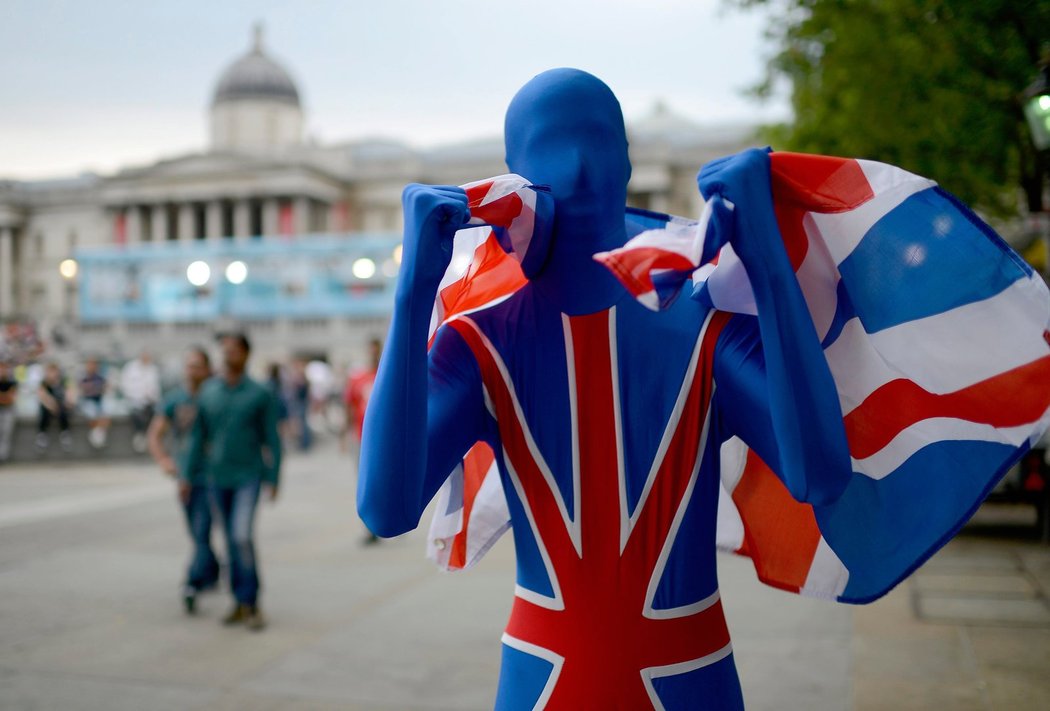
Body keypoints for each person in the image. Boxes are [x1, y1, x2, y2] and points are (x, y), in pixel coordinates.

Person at [357, 69, 1050, 709]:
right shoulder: (493, 342)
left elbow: (820, 471)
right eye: (559, 145)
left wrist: (770, 266)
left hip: (620, 676)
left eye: (596, 142)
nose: (579, 166)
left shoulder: (689, 323)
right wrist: (413, 296)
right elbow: (385, 509)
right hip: (623, 675)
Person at [184, 331, 281, 631]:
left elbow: (272, 439)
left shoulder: (259, 393)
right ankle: (239, 602)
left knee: (241, 537)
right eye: (225, 349)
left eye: (235, 349)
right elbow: (198, 437)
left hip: (248, 476)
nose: (229, 354)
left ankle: (251, 601)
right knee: (228, 540)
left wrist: (274, 477)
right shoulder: (210, 392)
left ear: (246, 354)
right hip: (216, 476)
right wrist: (187, 475)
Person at [147, 346, 221, 614]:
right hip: (186, 476)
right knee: (197, 531)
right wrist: (164, 460)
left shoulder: (216, 397)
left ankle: (191, 582)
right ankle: (211, 569)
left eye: (197, 365)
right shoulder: (175, 400)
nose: (191, 370)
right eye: (188, 365)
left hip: (214, 475)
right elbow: (155, 434)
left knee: (202, 531)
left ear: (207, 369)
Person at [344, 339, 382, 544]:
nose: (373, 354)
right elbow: (349, 406)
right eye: (371, 351)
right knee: (365, 483)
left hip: (385, 441)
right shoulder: (358, 379)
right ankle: (370, 527)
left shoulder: (388, 375)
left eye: (377, 351)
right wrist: (344, 435)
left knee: (384, 482)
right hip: (361, 438)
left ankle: (386, 520)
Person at [120, 350, 161, 453]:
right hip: (133, 400)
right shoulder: (130, 368)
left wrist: (151, 397)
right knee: (136, 413)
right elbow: (125, 386)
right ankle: (140, 435)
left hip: (149, 402)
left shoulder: (152, 369)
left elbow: (155, 389)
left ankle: (149, 436)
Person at [36, 362, 73, 454]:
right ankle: (42, 435)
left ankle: (65, 433)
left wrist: (69, 401)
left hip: (60, 406)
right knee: (44, 411)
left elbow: (70, 393)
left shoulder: (63, 381)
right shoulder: (44, 383)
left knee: (63, 411)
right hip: (49, 407)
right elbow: (42, 396)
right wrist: (52, 405)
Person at [78, 357, 111, 450]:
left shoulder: (100, 377)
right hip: (87, 401)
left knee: (105, 413)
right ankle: (97, 435)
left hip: (98, 401)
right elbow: (83, 391)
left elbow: (104, 389)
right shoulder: (83, 377)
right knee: (92, 412)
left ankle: (97, 434)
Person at [0, 360, 17, 464]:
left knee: (6, 432)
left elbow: (11, 398)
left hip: (8, 409)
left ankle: (2, 457)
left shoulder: (12, 382)